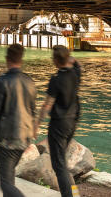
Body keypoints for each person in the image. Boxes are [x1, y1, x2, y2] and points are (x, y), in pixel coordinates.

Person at [0, 44, 37, 197]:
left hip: (8, 139)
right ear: (21, 59)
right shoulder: (29, 81)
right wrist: (31, 135)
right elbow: (33, 112)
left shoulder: (2, 81)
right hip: (24, 137)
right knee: (9, 178)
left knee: (4, 182)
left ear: (7, 59)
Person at [35, 45, 81, 197]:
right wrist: (70, 59)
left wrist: (36, 125)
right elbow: (77, 63)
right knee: (62, 162)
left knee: (58, 165)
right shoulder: (75, 73)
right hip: (72, 122)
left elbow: (47, 104)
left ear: (55, 60)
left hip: (58, 125)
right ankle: (72, 192)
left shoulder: (56, 80)